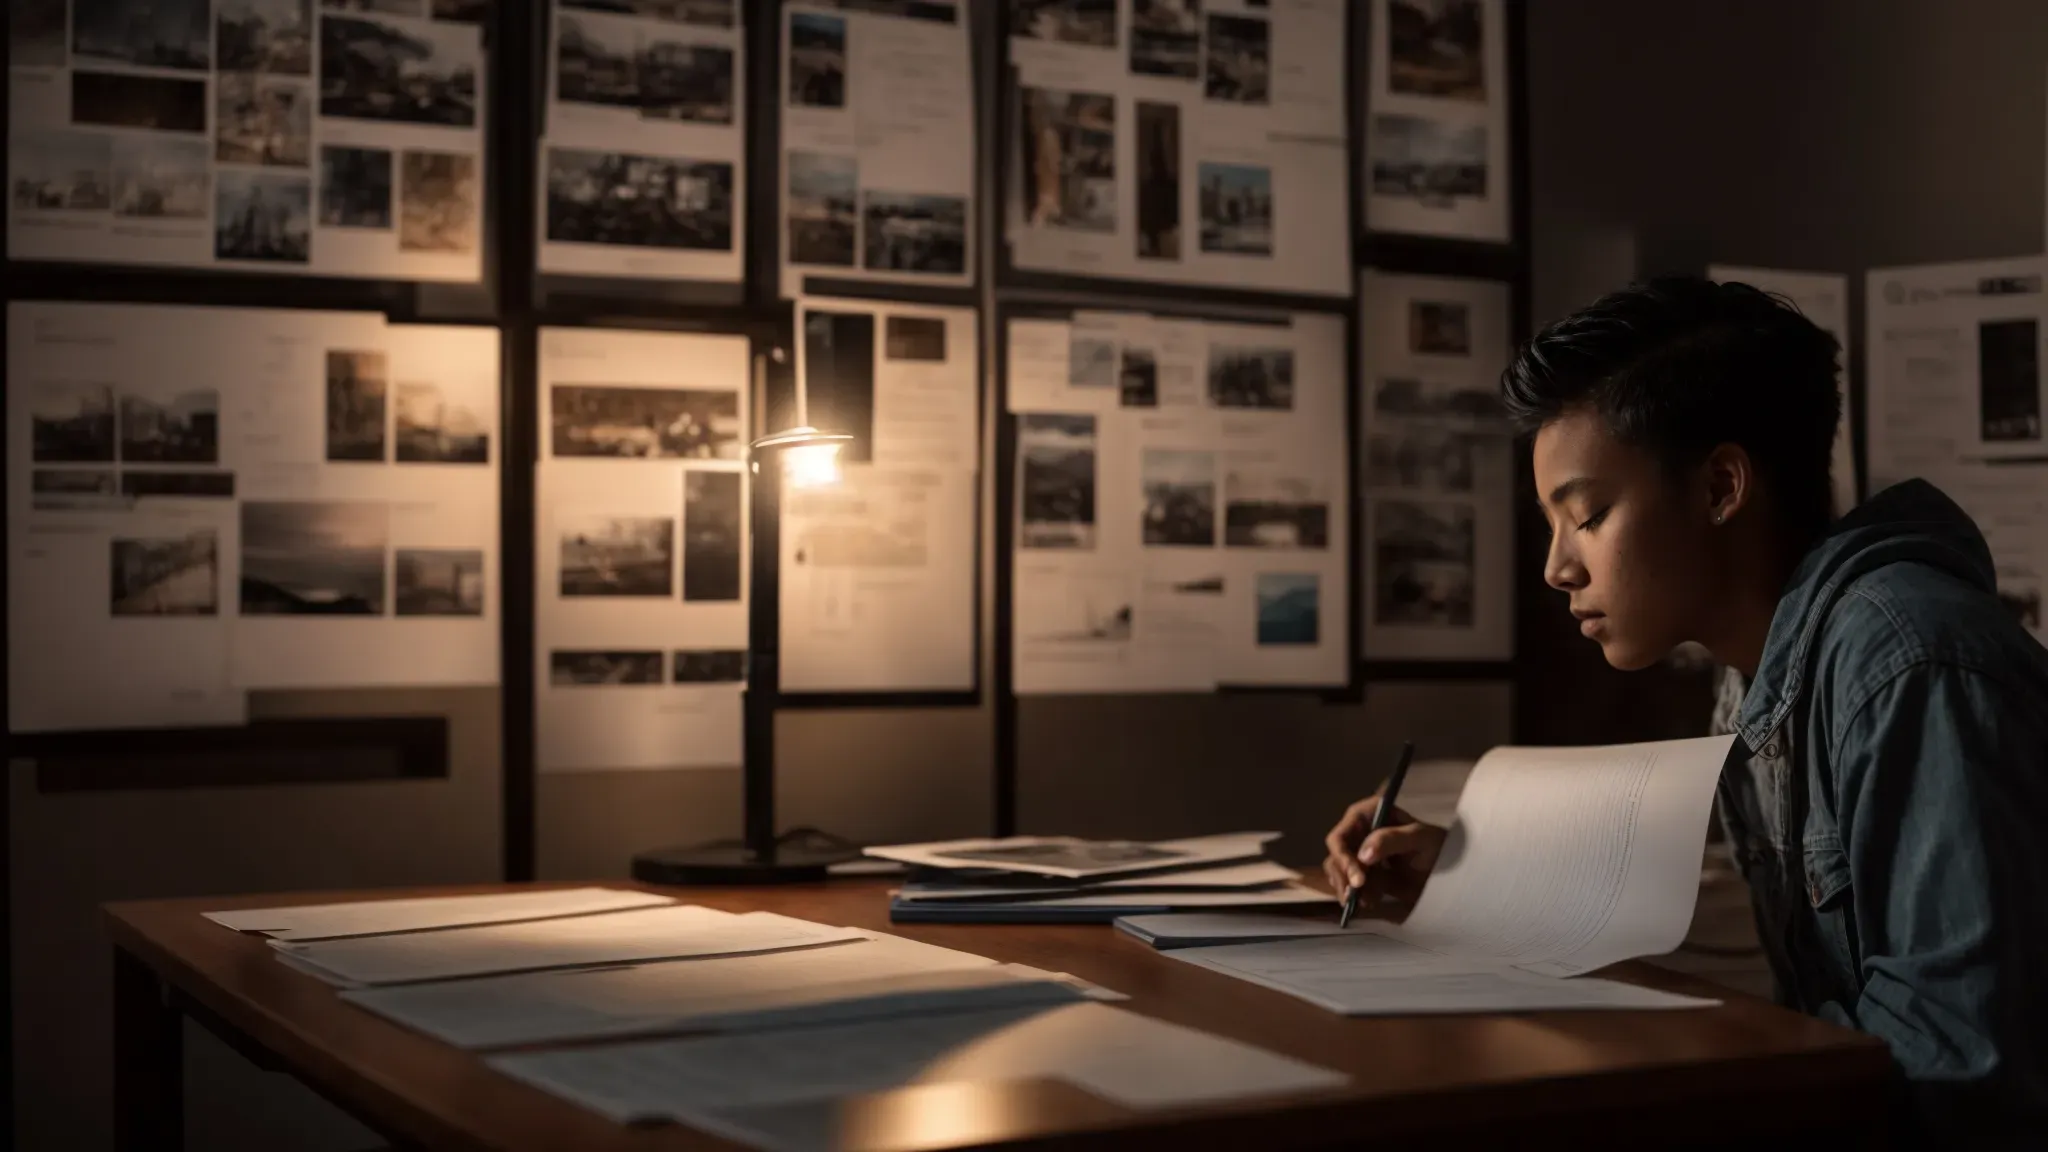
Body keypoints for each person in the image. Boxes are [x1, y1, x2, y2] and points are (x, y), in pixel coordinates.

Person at [1324, 276, 2048, 1144]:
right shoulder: (1758, 679)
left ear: (1719, 488)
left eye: (1585, 516)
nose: (1558, 568)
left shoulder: (1907, 667)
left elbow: (1959, 1074)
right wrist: (1463, 883)